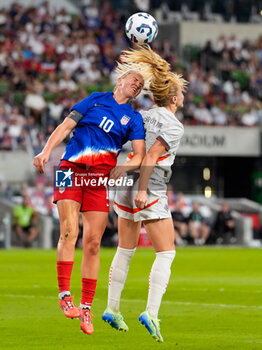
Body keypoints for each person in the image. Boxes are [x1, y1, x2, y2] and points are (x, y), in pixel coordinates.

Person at [33, 53, 147, 335]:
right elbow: (66, 126)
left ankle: (86, 308)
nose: (137, 86)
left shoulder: (133, 118)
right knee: (69, 231)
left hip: (99, 179)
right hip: (70, 168)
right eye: (135, 80)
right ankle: (64, 297)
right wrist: (46, 151)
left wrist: (125, 165)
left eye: (141, 86)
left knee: (94, 243)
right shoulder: (95, 99)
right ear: (121, 80)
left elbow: (140, 155)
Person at [102, 45, 187, 342]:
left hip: (125, 185)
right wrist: (141, 190)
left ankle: (112, 308)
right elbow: (150, 156)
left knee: (125, 249)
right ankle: (151, 312)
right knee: (166, 252)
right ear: (174, 98)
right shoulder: (173, 125)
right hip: (148, 187)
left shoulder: (142, 114)